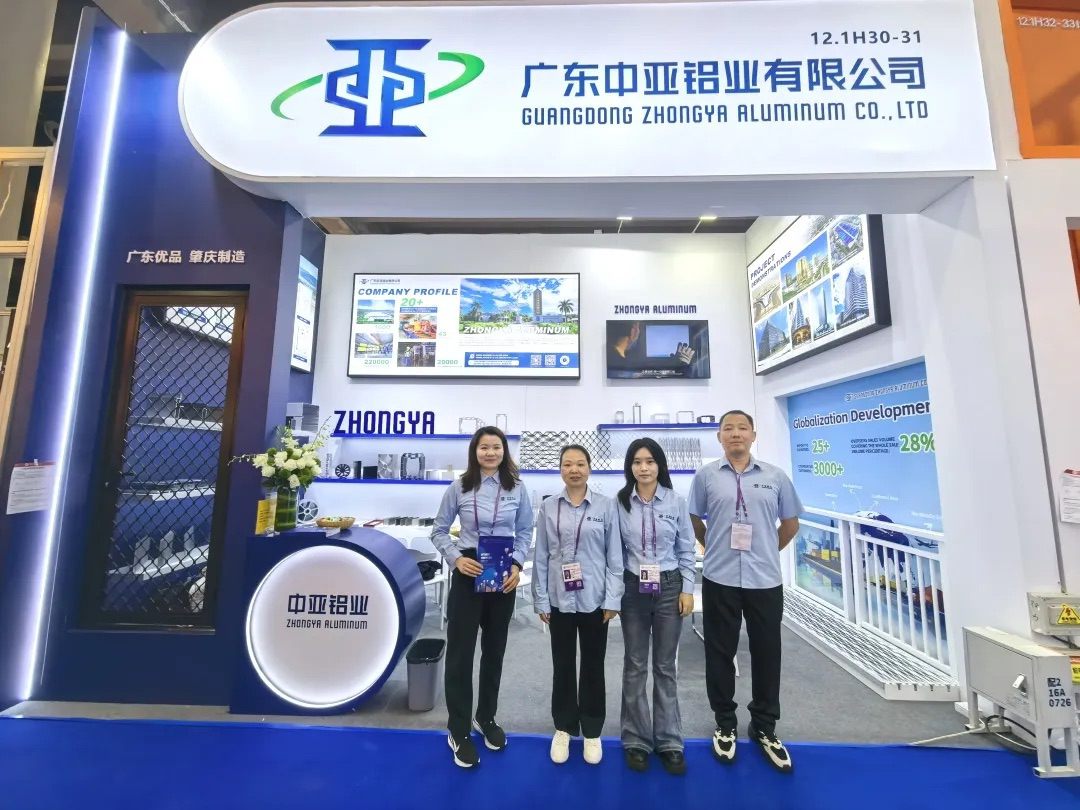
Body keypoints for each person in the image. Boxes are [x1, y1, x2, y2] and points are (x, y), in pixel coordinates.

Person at [688, 410, 802, 773]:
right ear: (719, 437)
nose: (735, 434)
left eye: (742, 428)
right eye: (728, 429)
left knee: (767, 652)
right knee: (719, 652)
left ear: (753, 434)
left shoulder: (775, 477)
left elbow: (791, 523)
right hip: (720, 576)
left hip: (764, 579)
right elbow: (694, 517)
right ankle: (725, 722)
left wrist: (767, 549)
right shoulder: (706, 476)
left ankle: (764, 726)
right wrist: (711, 545)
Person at [431, 426, 534, 768]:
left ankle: (485, 717)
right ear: (475, 452)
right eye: (484, 447)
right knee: (460, 653)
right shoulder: (459, 486)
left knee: (494, 651)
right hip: (468, 570)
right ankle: (458, 729)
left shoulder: (517, 487)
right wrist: (455, 559)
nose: (490, 453)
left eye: (496, 447)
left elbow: (525, 531)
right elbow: (439, 530)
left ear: (504, 451)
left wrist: (517, 564)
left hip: (502, 573)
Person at [532, 445, 623, 766]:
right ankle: (564, 727)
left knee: (593, 666)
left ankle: (593, 730)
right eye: (568, 464)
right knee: (563, 665)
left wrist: (612, 598)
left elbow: (615, 557)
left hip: (595, 600)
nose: (574, 470)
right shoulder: (548, 507)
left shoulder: (606, 506)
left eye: (580, 464)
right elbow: (541, 555)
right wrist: (541, 598)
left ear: (589, 468)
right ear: (560, 469)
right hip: (559, 599)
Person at [616, 438, 696, 774]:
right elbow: (615, 552)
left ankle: (669, 740)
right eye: (637, 462)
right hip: (633, 588)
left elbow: (686, 548)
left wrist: (688, 589)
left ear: (660, 465)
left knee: (665, 665)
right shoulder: (620, 503)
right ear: (630, 467)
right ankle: (636, 739)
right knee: (635, 664)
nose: (644, 468)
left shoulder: (676, 501)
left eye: (650, 461)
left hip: (669, 586)